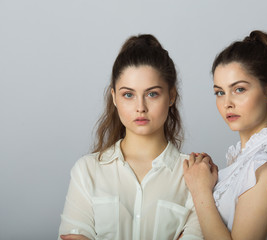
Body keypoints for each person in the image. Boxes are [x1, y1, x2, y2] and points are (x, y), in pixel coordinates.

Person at [58, 34, 203, 240]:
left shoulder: (195, 176)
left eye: (152, 94)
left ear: (171, 96)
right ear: (114, 97)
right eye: (128, 94)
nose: (140, 107)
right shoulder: (87, 171)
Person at [183, 30, 267, 240]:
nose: (227, 102)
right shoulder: (250, 158)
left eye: (239, 89)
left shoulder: (264, 164)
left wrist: (200, 191)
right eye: (220, 92)